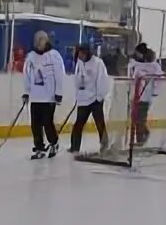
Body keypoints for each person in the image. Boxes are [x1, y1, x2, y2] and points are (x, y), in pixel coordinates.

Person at [22, 30, 66, 159]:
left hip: (49, 97)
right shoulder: (31, 57)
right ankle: (39, 147)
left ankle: (54, 143)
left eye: (41, 41)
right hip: (35, 97)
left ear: (46, 42)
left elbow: (59, 75)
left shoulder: (54, 56)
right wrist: (26, 92)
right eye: (37, 42)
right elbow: (27, 75)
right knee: (35, 124)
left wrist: (58, 93)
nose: (38, 44)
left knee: (47, 122)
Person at [69, 42, 109, 153]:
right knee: (78, 124)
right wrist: (78, 95)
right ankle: (74, 147)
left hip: (95, 99)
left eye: (82, 53)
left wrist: (99, 97)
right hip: (83, 100)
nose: (80, 55)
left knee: (100, 124)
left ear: (87, 52)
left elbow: (103, 81)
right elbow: (77, 81)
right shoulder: (79, 63)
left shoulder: (98, 63)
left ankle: (105, 145)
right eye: (79, 53)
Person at [128, 42, 163, 146]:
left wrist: (155, 91)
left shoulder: (154, 66)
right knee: (135, 118)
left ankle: (140, 140)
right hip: (135, 96)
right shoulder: (134, 64)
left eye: (138, 52)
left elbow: (159, 79)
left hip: (145, 97)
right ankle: (144, 134)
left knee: (140, 118)